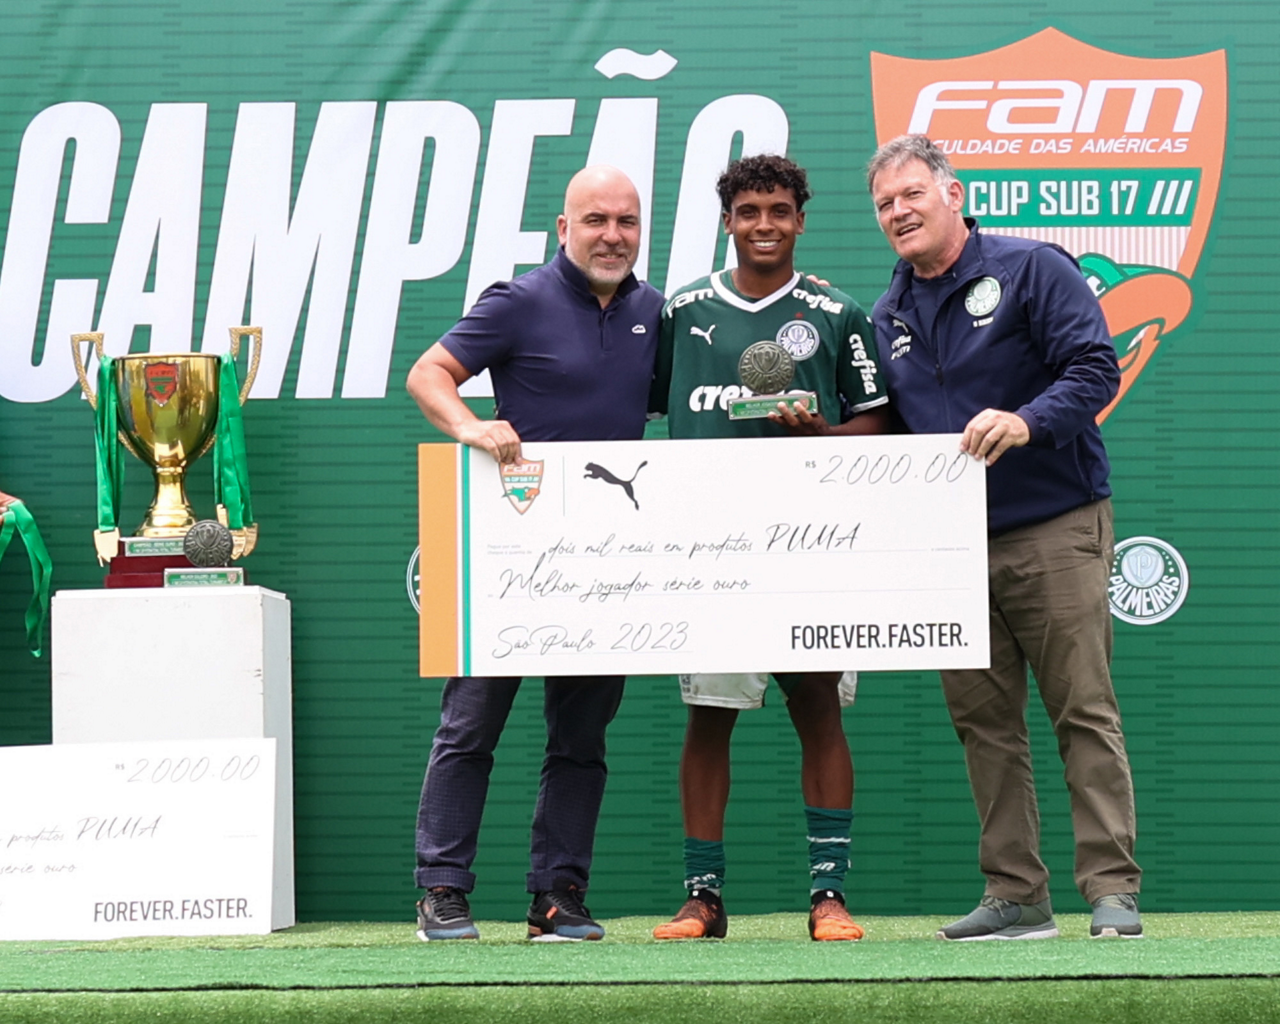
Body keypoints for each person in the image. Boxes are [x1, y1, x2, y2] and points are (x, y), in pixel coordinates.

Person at [865, 135, 1142, 940]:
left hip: (1054, 524)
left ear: (953, 193)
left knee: (1082, 710)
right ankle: (1016, 893)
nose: (899, 212)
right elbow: (893, 432)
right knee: (983, 726)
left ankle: (1112, 890)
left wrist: (1026, 422)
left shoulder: (1032, 268)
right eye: (885, 204)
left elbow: (1095, 369)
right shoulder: (887, 314)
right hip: (952, 547)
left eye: (912, 194)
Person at [405, 165, 663, 942]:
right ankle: (441, 891)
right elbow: (428, 372)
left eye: (626, 221)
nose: (612, 235)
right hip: (509, 547)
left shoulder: (656, 312)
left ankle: (558, 898)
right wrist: (470, 426)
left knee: (581, 742)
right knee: (470, 726)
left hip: (606, 557)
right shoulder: (518, 301)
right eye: (596, 220)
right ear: (564, 228)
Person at [648, 154, 889, 942]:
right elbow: (632, 402)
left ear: (800, 221)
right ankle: (703, 898)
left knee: (818, 711)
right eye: (748, 211)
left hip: (811, 550)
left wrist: (823, 435)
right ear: (727, 221)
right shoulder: (683, 310)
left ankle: (829, 897)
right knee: (708, 717)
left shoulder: (837, 313)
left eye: (779, 211)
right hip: (710, 549)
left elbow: (879, 421)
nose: (764, 225)